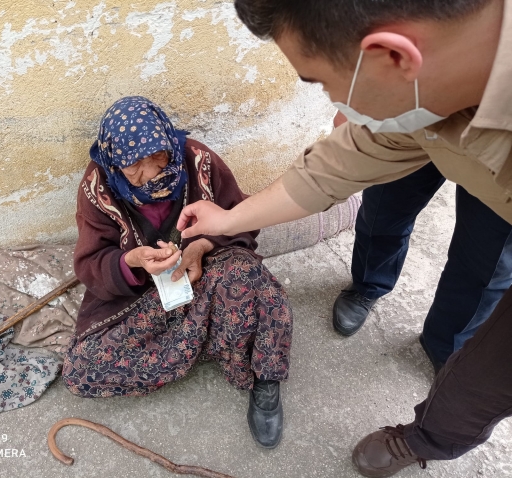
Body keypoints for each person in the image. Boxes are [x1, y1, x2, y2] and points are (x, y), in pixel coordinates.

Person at [176, 0, 512, 475]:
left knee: (483, 362)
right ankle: (378, 299)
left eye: (324, 83)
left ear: (393, 58)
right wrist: (225, 221)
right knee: (385, 212)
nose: (336, 106)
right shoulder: (419, 96)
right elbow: (326, 174)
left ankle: (440, 396)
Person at [62, 96, 294, 449]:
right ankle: (204, 335)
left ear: (170, 140)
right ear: (114, 161)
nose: (153, 173)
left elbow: (241, 216)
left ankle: (264, 376)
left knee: (249, 280)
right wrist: (132, 261)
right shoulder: (98, 188)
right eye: (135, 165)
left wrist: (201, 247)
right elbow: (91, 263)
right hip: (147, 293)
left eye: (159, 156)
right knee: (83, 369)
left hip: (210, 269)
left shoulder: (197, 160)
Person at [331, 112, 512, 374]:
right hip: (427, 103)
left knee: (489, 260)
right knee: (385, 207)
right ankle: (368, 284)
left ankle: (447, 343)